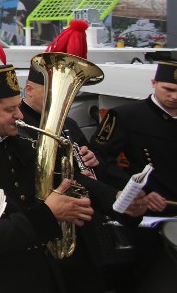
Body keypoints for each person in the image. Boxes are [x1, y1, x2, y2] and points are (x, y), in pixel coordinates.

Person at [0, 10, 94, 293]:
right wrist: (49, 213)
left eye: (19, 105)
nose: (20, 114)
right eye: (10, 109)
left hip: (43, 273)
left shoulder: (22, 138)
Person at [16, 20, 145, 293]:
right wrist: (107, 193)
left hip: (87, 229)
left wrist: (93, 159)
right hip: (55, 232)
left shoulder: (68, 124)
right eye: (53, 94)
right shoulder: (21, 127)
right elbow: (56, 175)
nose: (62, 102)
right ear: (29, 90)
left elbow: (89, 158)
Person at [91, 59, 177, 291]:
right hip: (148, 216)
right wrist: (137, 191)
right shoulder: (124, 116)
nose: (174, 97)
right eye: (168, 89)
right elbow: (99, 158)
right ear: (154, 83)